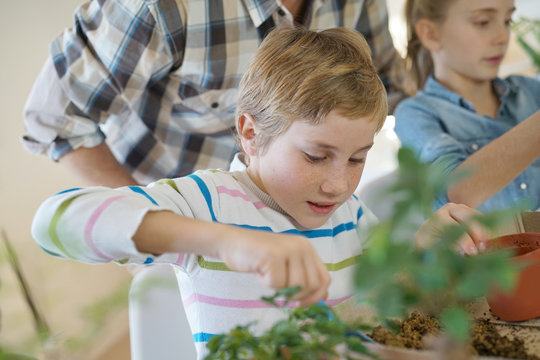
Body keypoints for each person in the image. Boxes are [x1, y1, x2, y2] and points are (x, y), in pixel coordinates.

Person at [31, 26, 487, 359]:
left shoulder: (349, 214)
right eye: (315, 156)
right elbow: (54, 222)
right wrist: (227, 241)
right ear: (250, 132)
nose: (338, 183)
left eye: (356, 158)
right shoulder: (208, 204)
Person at [22, 0, 405, 188]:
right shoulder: (162, 6)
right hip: (180, 214)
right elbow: (55, 120)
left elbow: (392, 86)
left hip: (297, 220)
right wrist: (164, 236)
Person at [393, 0, 540, 212]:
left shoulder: (531, 91)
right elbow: (458, 193)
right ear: (431, 34)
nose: (502, 37)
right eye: (482, 22)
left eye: (507, 21)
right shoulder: (415, 114)